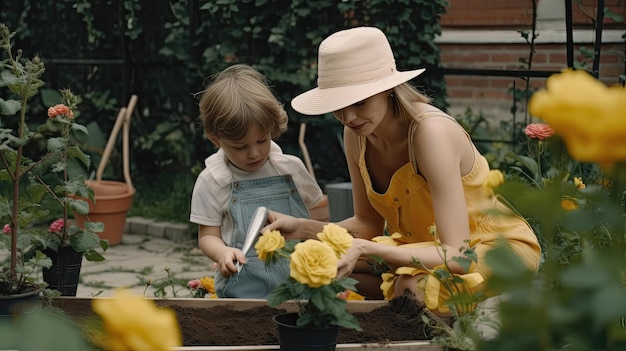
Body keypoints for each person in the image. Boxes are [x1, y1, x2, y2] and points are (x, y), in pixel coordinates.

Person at [263, 27, 542, 309]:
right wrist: (302, 229)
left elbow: (458, 254)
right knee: (318, 263)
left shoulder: (430, 133)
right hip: (420, 250)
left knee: (410, 287)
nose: (347, 116)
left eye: (359, 101)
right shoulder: (356, 135)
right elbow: (366, 224)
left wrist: (367, 249)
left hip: (491, 251)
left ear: (387, 89)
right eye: (338, 105)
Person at [190, 63, 325, 298]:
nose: (254, 153)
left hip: (302, 284)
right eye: (240, 146)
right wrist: (222, 253)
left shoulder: (290, 168)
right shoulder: (212, 180)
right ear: (215, 139)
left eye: (262, 140)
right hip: (243, 288)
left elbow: (318, 214)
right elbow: (208, 236)